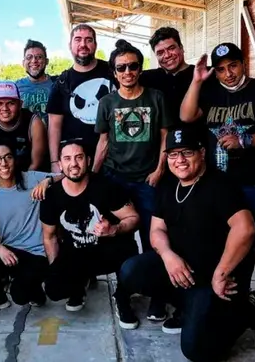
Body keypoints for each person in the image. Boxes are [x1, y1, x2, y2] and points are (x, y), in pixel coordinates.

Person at [117, 127, 255, 358]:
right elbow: (157, 229)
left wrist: (221, 273)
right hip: (184, 268)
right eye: (173, 154)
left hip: (215, 277)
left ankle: (248, 310)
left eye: (187, 152)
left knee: (197, 350)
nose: (180, 160)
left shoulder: (220, 185)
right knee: (131, 271)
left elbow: (245, 229)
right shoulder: (167, 185)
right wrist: (168, 256)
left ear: (202, 152)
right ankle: (188, 308)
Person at [180, 42, 255, 331]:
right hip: (218, 183)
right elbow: (186, 116)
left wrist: (246, 140)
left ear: (243, 64)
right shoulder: (209, 92)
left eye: (233, 66)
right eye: (221, 69)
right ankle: (232, 299)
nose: (228, 73)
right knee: (222, 243)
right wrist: (197, 81)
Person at [95, 39, 173, 321]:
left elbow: (165, 136)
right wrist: (93, 176)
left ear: (140, 68)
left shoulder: (156, 98)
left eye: (133, 66)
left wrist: (159, 169)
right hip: (115, 179)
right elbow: (103, 142)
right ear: (114, 72)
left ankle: (157, 295)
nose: (127, 71)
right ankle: (123, 295)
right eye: (121, 67)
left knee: (154, 239)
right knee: (120, 241)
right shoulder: (107, 103)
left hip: (148, 180)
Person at [39, 141, 140, 314]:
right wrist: (57, 269)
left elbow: (134, 218)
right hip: (76, 253)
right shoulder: (52, 195)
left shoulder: (107, 187)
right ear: (60, 164)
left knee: (132, 267)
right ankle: (77, 287)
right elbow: (50, 237)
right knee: (54, 288)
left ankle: (122, 297)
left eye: (79, 157)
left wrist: (114, 229)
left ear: (88, 160)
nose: (73, 164)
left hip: (109, 250)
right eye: (67, 158)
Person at [0, 140, 55, 314]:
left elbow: (64, 175)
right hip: (11, 253)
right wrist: (0, 249)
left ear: (15, 159)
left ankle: (35, 290)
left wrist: (48, 180)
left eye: (8, 157)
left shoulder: (31, 178)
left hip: (37, 254)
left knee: (20, 296)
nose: (4, 163)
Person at [46, 24, 114, 171]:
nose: (83, 44)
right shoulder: (62, 83)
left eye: (88, 40)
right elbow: (54, 126)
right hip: (76, 164)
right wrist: (54, 162)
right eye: (78, 39)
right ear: (70, 45)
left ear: (95, 45)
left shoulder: (114, 71)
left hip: (114, 160)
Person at [0, 81, 47, 172]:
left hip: (26, 174)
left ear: (20, 104)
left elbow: (36, 163)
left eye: (11, 103)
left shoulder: (34, 123)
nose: (5, 108)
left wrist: (24, 180)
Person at [140, 27, 196, 130]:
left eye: (171, 48)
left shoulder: (202, 74)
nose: (167, 55)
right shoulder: (147, 78)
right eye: (160, 53)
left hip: (196, 138)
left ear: (181, 48)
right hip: (162, 139)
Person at [14, 40, 55, 125]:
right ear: (23, 63)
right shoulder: (15, 87)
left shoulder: (57, 85)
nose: (34, 61)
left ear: (47, 61)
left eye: (39, 57)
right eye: (29, 57)